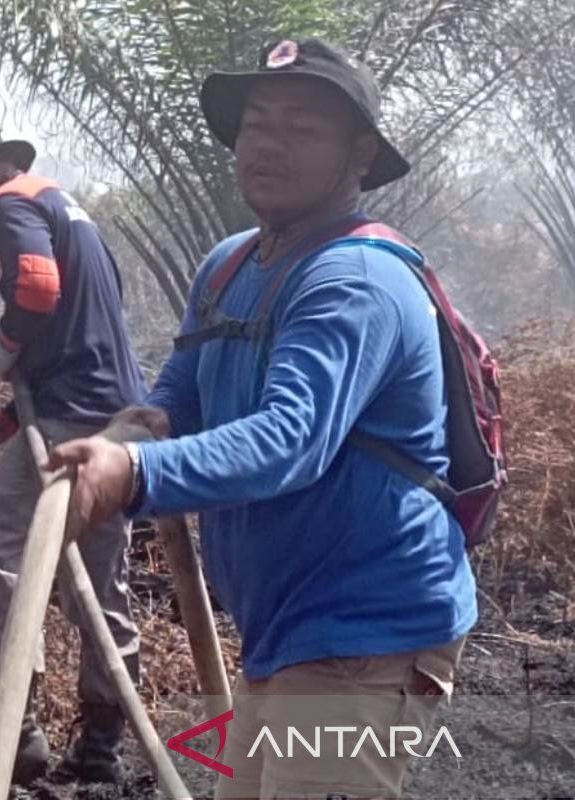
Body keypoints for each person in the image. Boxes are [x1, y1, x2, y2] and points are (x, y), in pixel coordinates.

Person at [48, 39, 478, 799]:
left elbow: (293, 439)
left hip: (367, 634)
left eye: (301, 129)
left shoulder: (357, 280)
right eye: (255, 124)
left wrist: (136, 472)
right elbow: (181, 391)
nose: (267, 145)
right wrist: (134, 430)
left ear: (360, 155)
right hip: (282, 630)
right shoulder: (229, 263)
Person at [0, 123, 148, 786]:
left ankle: (15, 723)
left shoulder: (13, 202)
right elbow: (66, 358)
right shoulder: (66, 211)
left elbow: (37, 293)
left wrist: (3, 348)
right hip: (111, 415)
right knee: (95, 583)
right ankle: (102, 741)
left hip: (74, 416)